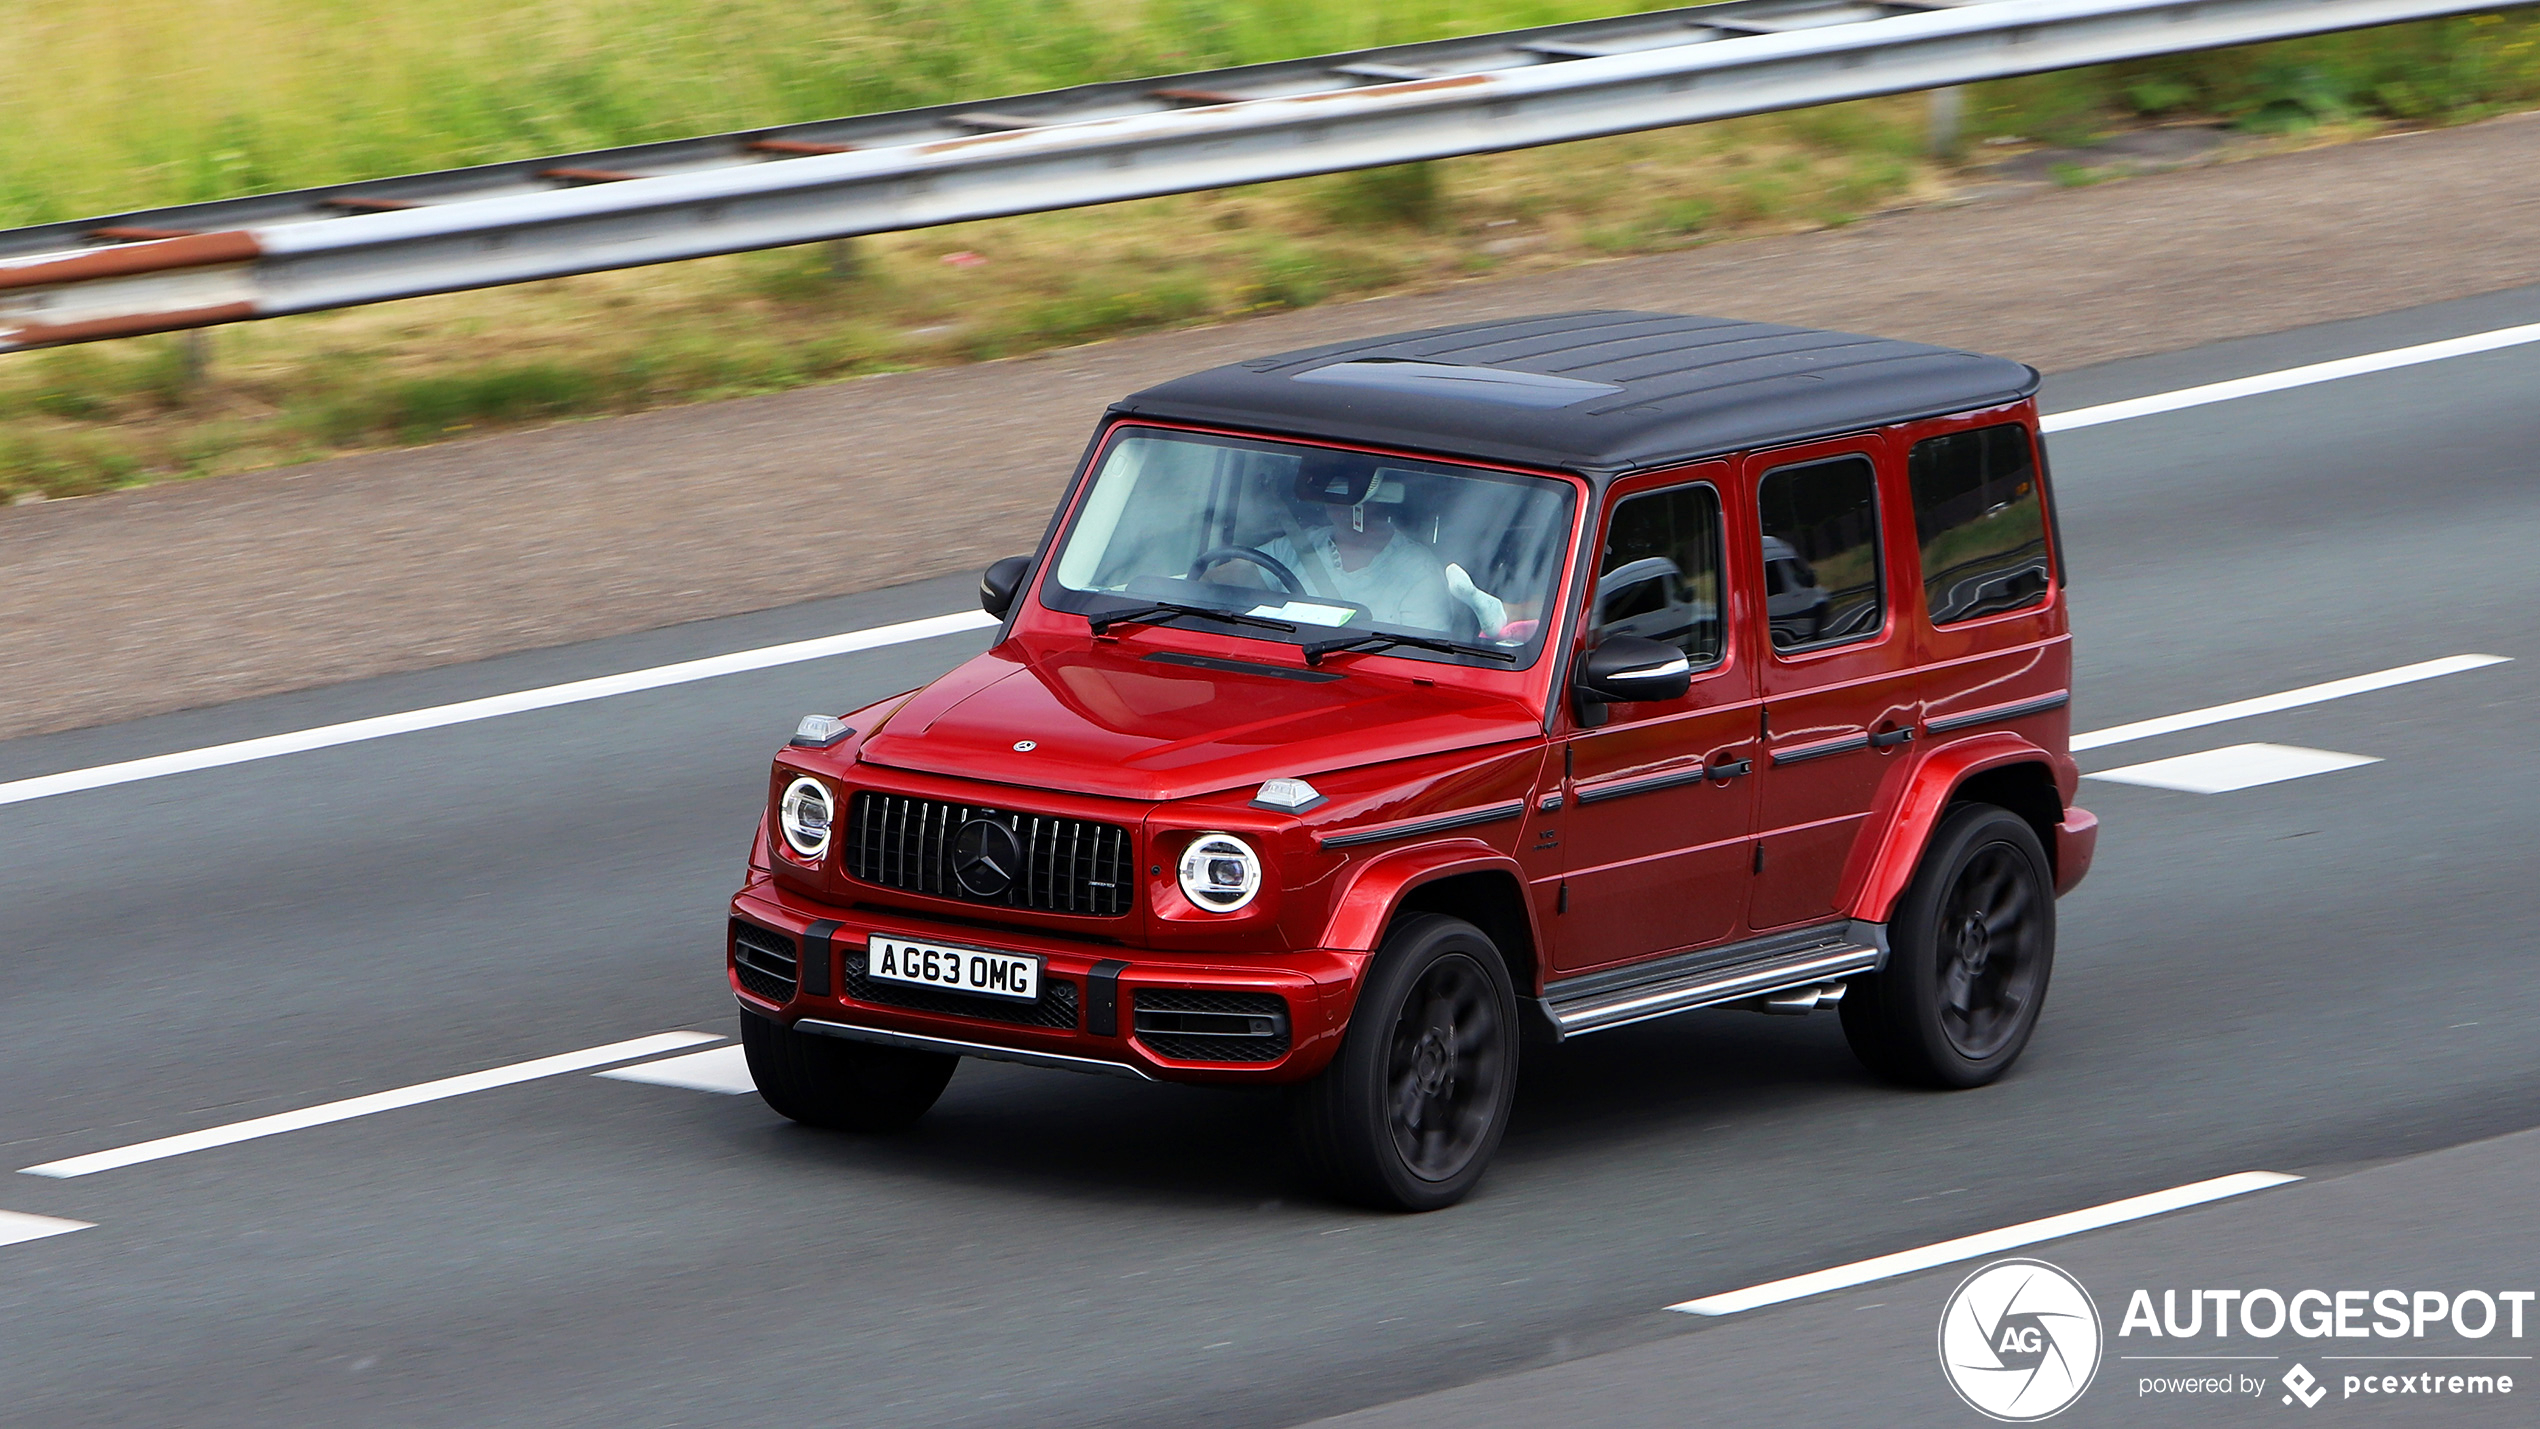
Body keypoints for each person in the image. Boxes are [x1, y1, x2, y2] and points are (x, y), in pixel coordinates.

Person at [1255, 463, 1509, 636]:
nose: (1338, 508)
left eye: (1349, 500)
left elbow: (1420, 657)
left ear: (1377, 502)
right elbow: (1231, 574)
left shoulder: (1417, 570)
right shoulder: (1297, 545)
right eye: (1333, 498)